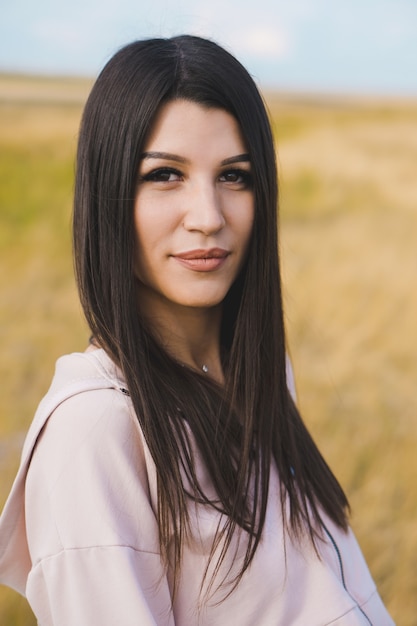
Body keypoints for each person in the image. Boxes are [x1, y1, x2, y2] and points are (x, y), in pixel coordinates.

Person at [0, 35, 394, 625]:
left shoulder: (258, 372)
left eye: (234, 176)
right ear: (107, 196)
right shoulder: (97, 432)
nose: (209, 217)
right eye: (164, 175)